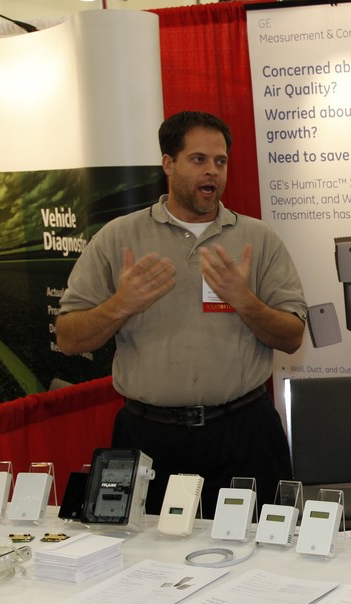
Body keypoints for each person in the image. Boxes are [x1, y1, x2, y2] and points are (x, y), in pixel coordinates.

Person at [56, 111, 308, 518]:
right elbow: (68, 339)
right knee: (144, 550)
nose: (212, 171)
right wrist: (122, 304)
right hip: (148, 437)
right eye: (198, 159)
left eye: (220, 161)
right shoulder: (118, 237)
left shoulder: (258, 239)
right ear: (168, 164)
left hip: (243, 433)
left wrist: (244, 300)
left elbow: (292, 337)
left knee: (259, 548)